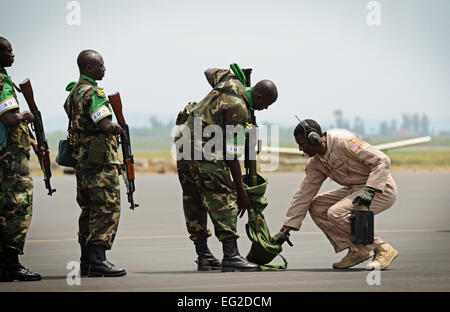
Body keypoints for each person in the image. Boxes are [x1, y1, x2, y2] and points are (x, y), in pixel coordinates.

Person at [174, 67, 278, 272]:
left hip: (183, 147)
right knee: (223, 198)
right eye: (265, 104)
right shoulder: (239, 110)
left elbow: (207, 71)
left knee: (193, 199)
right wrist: (240, 193)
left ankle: (204, 256)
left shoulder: (228, 80)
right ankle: (231, 255)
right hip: (205, 153)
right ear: (257, 95)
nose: (265, 109)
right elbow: (232, 156)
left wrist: (232, 82)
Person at [273, 119, 399, 270]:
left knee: (336, 212)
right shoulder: (316, 163)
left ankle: (382, 249)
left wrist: (371, 188)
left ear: (314, 139)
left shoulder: (347, 143)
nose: (300, 149)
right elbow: (303, 194)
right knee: (317, 206)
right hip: (355, 190)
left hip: (381, 188)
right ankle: (357, 250)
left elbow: (382, 160)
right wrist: (286, 228)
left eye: (302, 143)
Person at [63, 50, 126, 277]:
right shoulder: (93, 92)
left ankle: (87, 260)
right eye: (100, 66)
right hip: (100, 162)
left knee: (88, 208)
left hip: (83, 160)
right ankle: (98, 260)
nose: (104, 69)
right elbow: (105, 124)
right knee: (106, 207)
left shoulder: (74, 92)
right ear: (88, 68)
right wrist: (118, 128)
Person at [0, 37, 43, 282]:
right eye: (7, 51)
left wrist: (34, 142)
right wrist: (25, 115)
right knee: (16, 208)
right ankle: (10, 264)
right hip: (10, 162)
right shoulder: (2, 81)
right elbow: (8, 119)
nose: (13, 54)